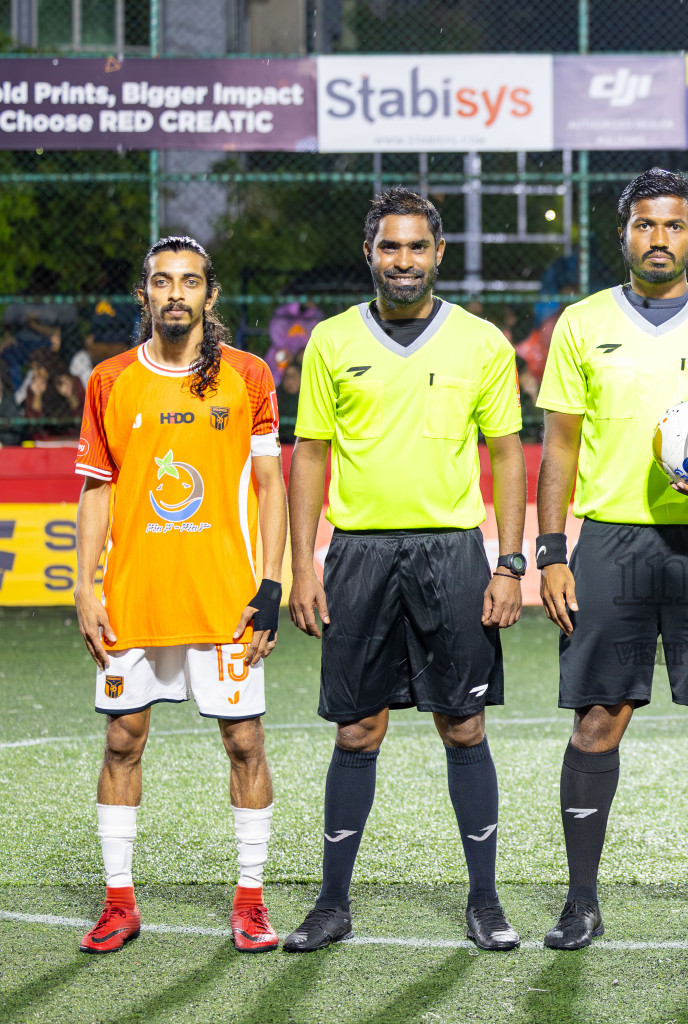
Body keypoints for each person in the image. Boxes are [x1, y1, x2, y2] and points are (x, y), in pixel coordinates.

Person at [534, 168, 688, 950]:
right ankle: (580, 901)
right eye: (645, 224)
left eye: (673, 226)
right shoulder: (580, 324)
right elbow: (559, 449)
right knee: (597, 722)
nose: (659, 238)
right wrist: (551, 553)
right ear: (624, 233)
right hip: (612, 541)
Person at [284, 188, 527, 953]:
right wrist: (305, 564)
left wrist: (509, 562)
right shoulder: (329, 342)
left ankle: (484, 900)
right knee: (357, 729)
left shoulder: (481, 342)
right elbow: (311, 455)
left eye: (416, 247)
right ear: (370, 254)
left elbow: (509, 455)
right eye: (390, 247)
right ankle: (332, 903)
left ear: (438, 254)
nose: (403, 261)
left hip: (453, 552)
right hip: (359, 553)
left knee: (464, 723)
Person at [72, 236, 287, 954]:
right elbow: (97, 490)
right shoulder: (108, 380)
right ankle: (119, 902)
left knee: (246, 742)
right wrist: (84, 586)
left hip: (225, 601)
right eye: (161, 282)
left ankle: (251, 902)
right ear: (143, 296)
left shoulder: (248, 377)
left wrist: (271, 586)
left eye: (188, 282)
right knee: (122, 740)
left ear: (210, 296)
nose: (175, 294)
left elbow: (269, 487)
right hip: (135, 597)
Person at [21, 349, 83, 440]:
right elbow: (32, 421)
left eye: (38, 368)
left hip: (71, 434)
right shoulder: (33, 387)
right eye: (33, 369)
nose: (35, 373)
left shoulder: (72, 381)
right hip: (45, 436)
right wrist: (37, 395)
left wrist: (70, 395)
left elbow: (81, 413)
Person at [274, 361, 301, 444]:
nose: (290, 381)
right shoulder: (274, 398)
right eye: (287, 377)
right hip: (278, 445)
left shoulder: (310, 399)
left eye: (294, 377)